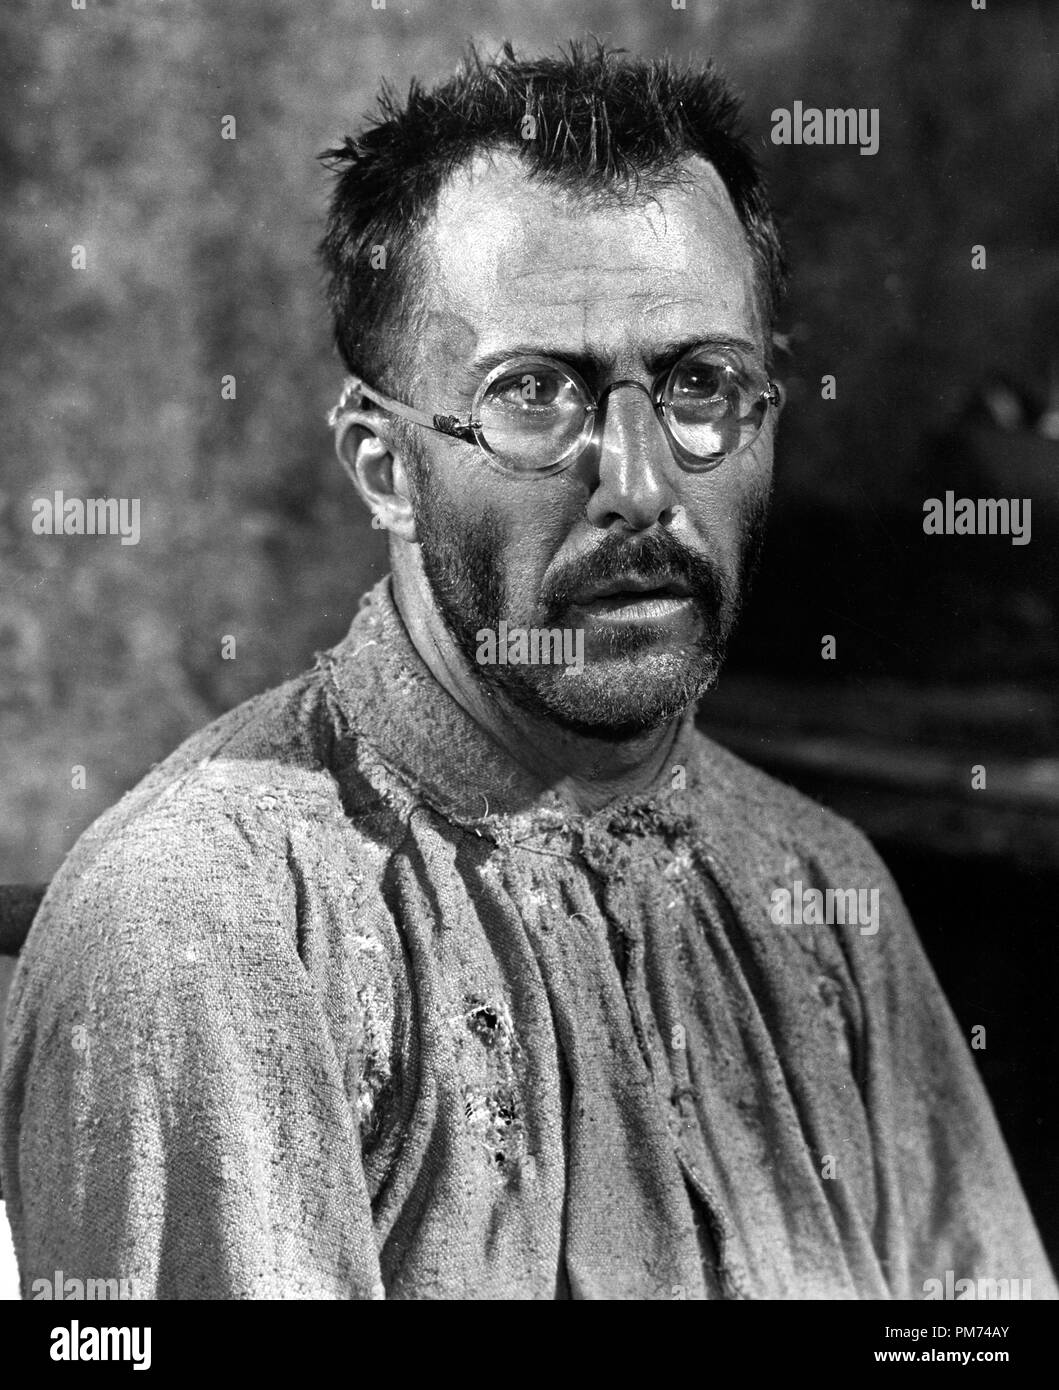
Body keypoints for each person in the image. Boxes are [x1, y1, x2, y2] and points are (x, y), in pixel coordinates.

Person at [1, 40, 1054, 1301]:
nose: (644, 486)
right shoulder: (208, 923)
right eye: (536, 394)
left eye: (701, 384)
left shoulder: (819, 883)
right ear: (383, 466)